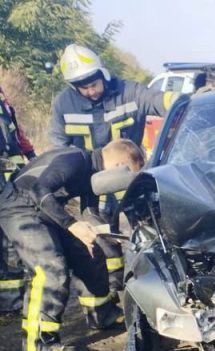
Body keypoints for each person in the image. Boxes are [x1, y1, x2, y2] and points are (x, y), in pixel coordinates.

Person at [0, 139, 145, 351]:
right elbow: (40, 190)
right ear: (119, 167)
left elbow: (91, 211)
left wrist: (102, 235)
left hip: (43, 209)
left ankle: (101, 314)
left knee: (90, 253)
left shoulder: (93, 175)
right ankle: (38, 343)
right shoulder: (75, 159)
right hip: (20, 207)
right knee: (50, 269)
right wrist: (72, 225)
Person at [48, 44, 176, 289]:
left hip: (132, 183)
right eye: (82, 87)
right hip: (92, 188)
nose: (90, 91)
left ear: (102, 73)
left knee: (147, 234)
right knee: (101, 241)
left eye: (93, 84)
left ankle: (155, 286)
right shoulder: (63, 105)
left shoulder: (128, 91)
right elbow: (59, 147)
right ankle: (113, 294)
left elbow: (159, 100)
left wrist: (184, 99)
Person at [0, 84, 37, 313]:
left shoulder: (5, 105)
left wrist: (32, 156)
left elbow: (17, 135)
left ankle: (11, 302)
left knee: (9, 244)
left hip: (11, 183)